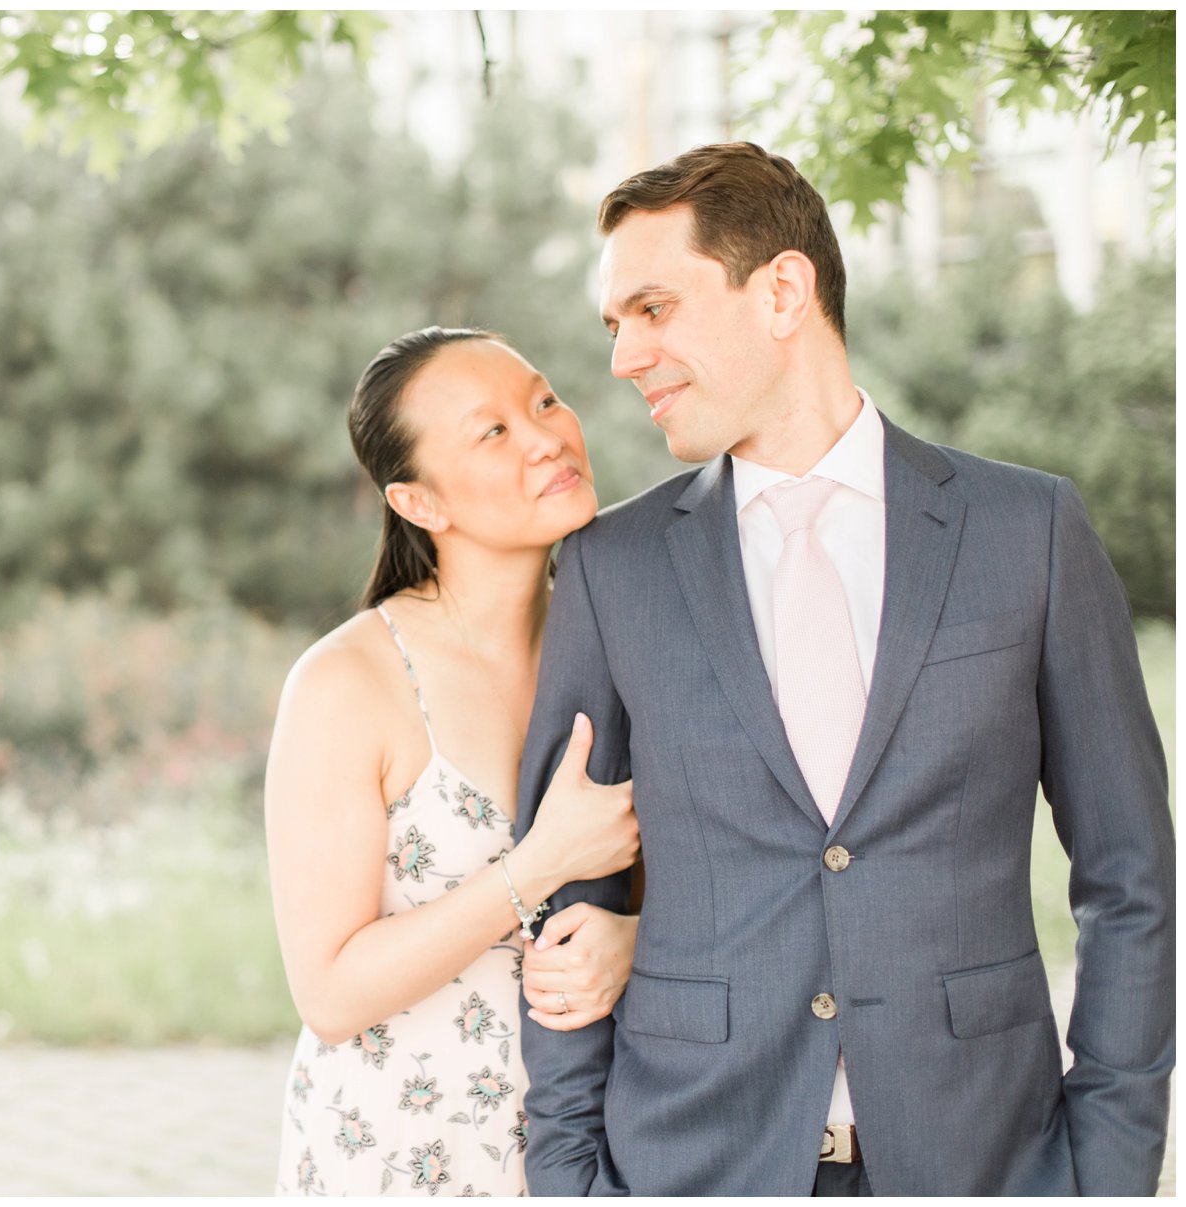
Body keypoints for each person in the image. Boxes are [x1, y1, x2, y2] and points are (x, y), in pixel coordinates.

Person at [513, 141, 1175, 1196]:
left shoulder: (1028, 530)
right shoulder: (610, 570)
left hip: (987, 1164)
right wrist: (569, 1180)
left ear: (783, 289)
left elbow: (1130, 875)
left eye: (654, 310)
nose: (624, 359)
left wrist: (1109, 1171)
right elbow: (564, 895)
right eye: (614, 324)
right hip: (694, 1167)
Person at [267, 328, 645, 1196]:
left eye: (544, 401)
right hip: (401, 1153)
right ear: (418, 503)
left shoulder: (625, 646)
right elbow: (329, 991)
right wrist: (540, 864)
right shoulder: (349, 681)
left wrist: (633, 941)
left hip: (592, 1147)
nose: (547, 436)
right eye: (494, 432)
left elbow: (699, 889)